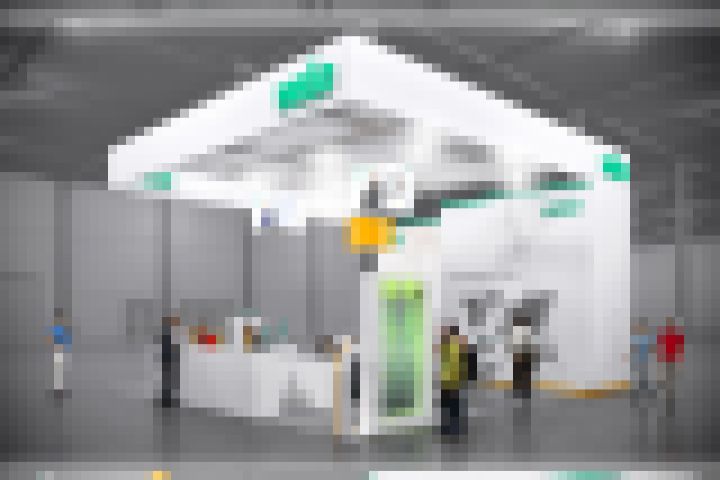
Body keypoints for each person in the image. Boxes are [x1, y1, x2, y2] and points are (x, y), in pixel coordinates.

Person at [439, 325, 476, 438]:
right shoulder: (462, 346)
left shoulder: (444, 346)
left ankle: (446, 429)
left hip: (446, 383)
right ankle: (454, 429)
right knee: (455, 407)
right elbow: (471, 362)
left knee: (447, 407)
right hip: (456, 383)